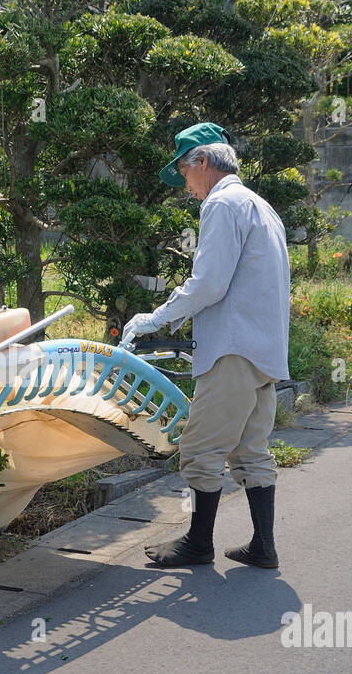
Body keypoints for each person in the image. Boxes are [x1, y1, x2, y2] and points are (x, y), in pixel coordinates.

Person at [119, 121, 291, 569]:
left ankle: (197, 544)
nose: (186, 186)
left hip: (232, 351)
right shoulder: (260, 206)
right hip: (264, 351)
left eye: (185, 173)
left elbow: (208, 284)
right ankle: (263, 546)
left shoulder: (222, 203)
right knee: (251, 450)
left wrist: (154, 318)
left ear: (203, 162)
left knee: (200, 450)